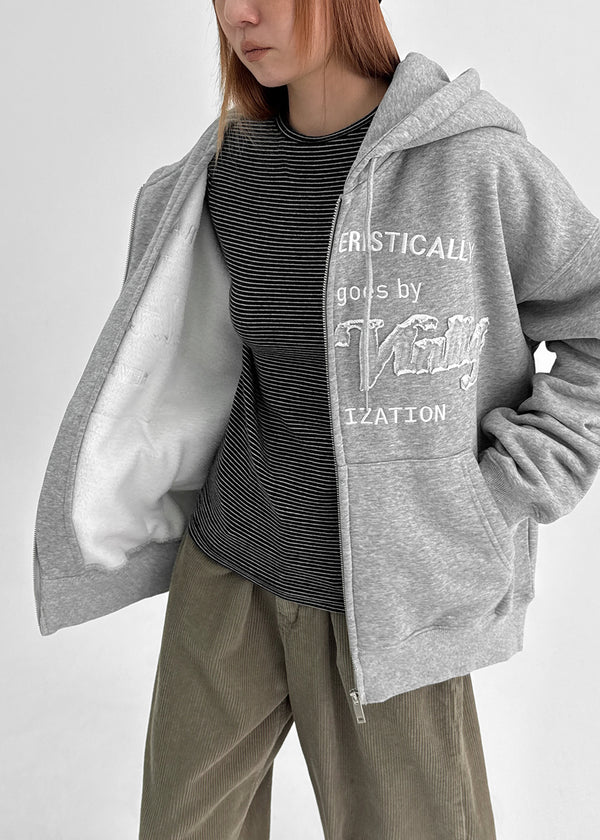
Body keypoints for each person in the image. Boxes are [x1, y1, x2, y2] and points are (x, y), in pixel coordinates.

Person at [32, 0, 600, 837]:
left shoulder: (471, 165)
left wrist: (504, 490)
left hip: (392, 603)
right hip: (227, 575)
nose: (239, 15)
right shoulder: (226, 174)